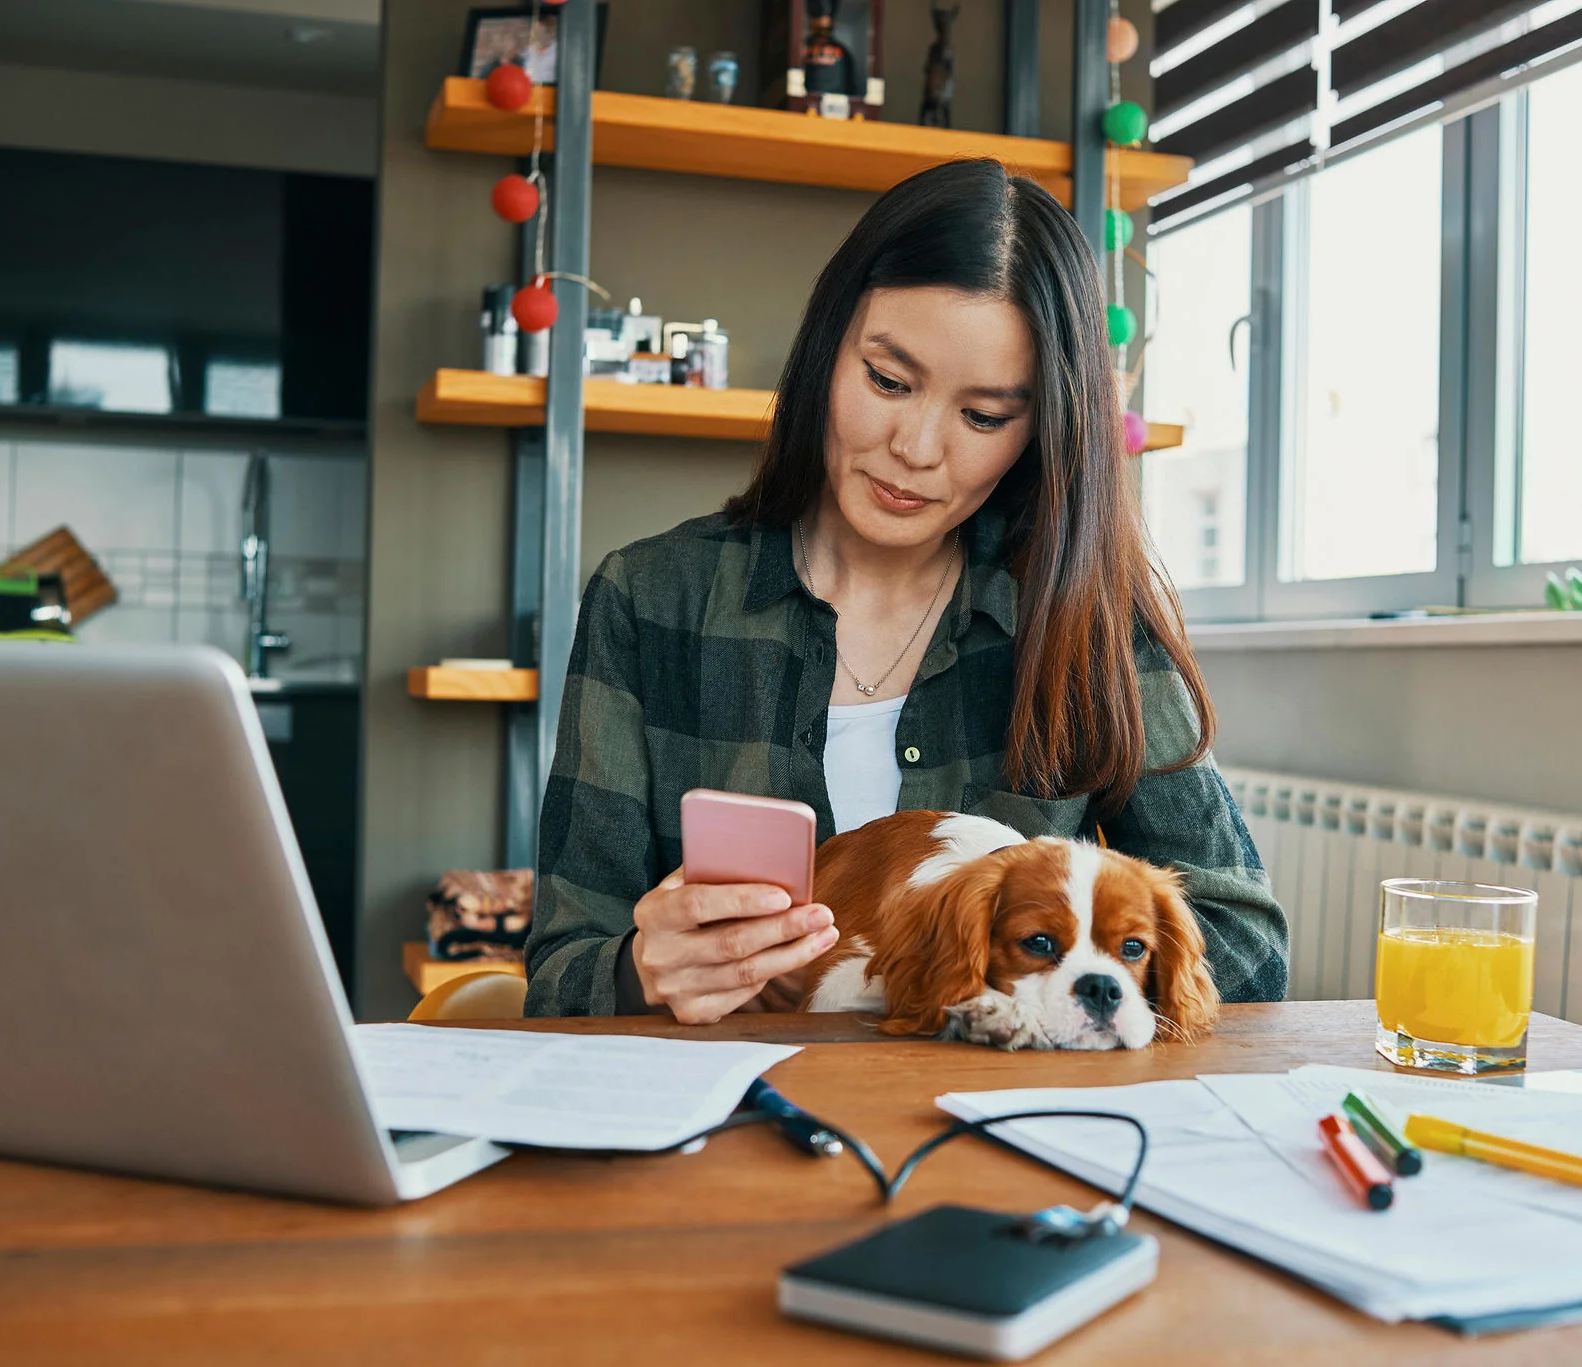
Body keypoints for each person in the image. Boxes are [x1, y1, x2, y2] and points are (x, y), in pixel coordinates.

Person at [525, 159, 1286, 1023]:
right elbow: (561, 971)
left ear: (1041, 428)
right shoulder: (650, 598)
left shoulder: (1090, 621)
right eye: (889, 381)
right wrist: (644, 969)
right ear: (826, 351)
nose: (917, 448)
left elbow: (1248, 946)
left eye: (984, 416)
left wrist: (1047, 983)